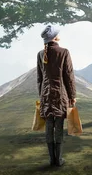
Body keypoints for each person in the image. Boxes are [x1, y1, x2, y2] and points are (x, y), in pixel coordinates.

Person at [36, 25, 77, 167]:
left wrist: (41, 96)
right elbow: (69, 76)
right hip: (60, 95)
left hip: (46, 95)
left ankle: (51, 159)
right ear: (55, 38)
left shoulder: (40, 54)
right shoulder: (64, 52)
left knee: (49, 125)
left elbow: (40, 79)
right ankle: (58, 160)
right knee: (58, 126)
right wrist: (72, 95)